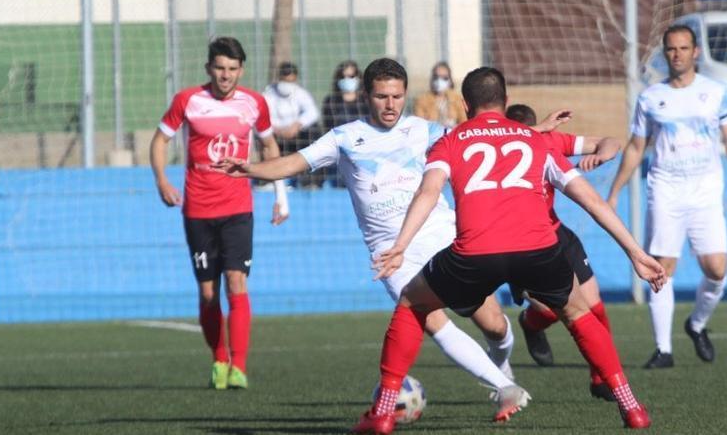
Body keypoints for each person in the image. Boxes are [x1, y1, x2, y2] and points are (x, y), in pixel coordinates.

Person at [352, 67, 666, 434]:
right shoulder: (538, 141)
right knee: (580, 313)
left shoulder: (451, 140)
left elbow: (428, 192)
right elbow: (590, 200)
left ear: (465, 105)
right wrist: (634, 252)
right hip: (538, 250)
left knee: (412, 303)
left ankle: (384, 413)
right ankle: (632, 407)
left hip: (475, 253)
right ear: (506, 100)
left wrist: (400, 246)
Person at [213, 58, 520, 399]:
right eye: (381, 97)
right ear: (366, 96)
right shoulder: (344, 137)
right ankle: (505, 388)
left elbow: (486, 140)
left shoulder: (426, 130)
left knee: (492, 322)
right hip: (391, 252)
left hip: (441, 235)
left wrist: (541, 135)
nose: (390, 105)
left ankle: (502, 363)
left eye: (397, 97)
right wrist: (250, 169)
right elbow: (294, 162)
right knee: (430, 319)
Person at [149, 36, 288, 390]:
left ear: (241, 70)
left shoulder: (255, 103)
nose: (226, 75)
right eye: (220, 68)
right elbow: (160, 140)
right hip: (197, 210)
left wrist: (280, 194)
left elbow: (270, 145)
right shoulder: (188, 100)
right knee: (209, 293)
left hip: (238, 209)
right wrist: (162, 180)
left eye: (232, 69)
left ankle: (239, 366)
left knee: (236, 282)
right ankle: (219, 359)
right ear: (209, 68)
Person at [606, 24, 727, 369]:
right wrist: (614, 192)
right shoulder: (651, 97)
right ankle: (663, 349)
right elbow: (637, 147)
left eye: (684, 48)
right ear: (665, 53)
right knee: (661, 268)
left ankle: (696, 323)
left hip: (705, 190)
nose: (677, 54)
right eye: (671, 49)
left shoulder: (716, 92)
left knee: (716, 269)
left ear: (695, 52)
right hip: (666, 189)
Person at [504, 103, 622, 401]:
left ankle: (601, 378)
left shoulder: (549, 141)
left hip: (557, 234)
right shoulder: (496, 150)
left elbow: (609, 141)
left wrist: (603, 154)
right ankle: (531, 324)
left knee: (594, 305)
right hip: (519, 243)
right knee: (552, 311)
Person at [263, 61, 322, 187]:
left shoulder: (300, 93)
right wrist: (277, 129)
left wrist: (297, 125)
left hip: (296, 134)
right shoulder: (268, 94)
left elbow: (312, 112)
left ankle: (309, 181)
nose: (287, 86)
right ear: (279, 78)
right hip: (275, 134)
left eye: (291, 82)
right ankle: (268, 179)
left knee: (314, 130)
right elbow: (264, 115)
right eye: (285, 81)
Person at [321, 60, 369, 186]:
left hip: (363, 147)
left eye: (351, 76)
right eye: (343, 77)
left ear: (358, 78)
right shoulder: (330, 101)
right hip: (339, 149)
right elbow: (327, 127)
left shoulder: (366, 101)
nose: (347, 79)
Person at [412, 61, 467, 127]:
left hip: (453, 134)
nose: (439, 81)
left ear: (450, 80)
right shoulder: (421, 100)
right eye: (436, 77)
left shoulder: (457, 99)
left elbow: (464, 122)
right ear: (432, 79)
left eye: (444, 78)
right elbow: (420, 125)